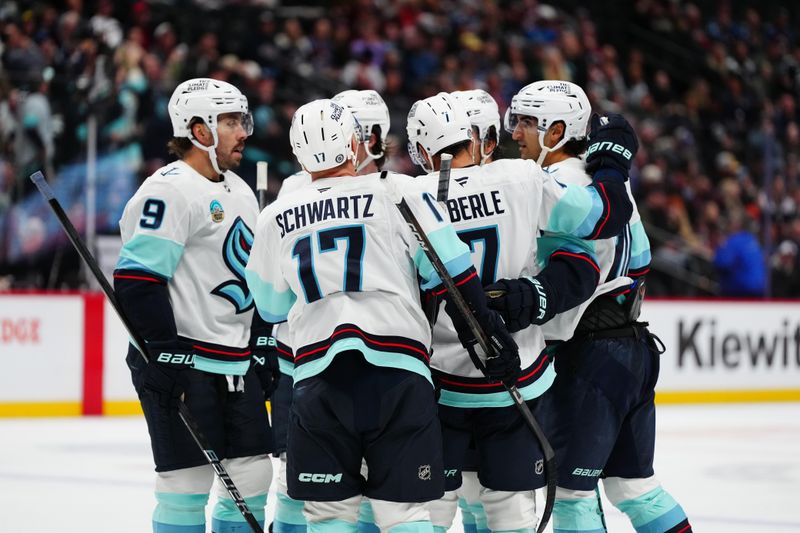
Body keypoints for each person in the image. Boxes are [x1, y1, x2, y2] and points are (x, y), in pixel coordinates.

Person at [245, 98, 519, 533]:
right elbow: (451, 272)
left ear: (298, 155)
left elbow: (272, 308)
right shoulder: (397, 191)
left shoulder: (275, 215)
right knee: (403, 514)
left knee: (329, 516)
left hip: (318, 378)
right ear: (354, 144)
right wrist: (489, 332)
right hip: (398, 374)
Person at [406, 91, 638, 533]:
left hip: (438, 382)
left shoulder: (406, 194)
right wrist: (613, 163)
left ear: (421, 149)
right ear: (477, 139)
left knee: (429, 512)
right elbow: (605, 218)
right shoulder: (523, 178)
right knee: (512, 514)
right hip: (515, 375)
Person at [493, 79, 693, 533]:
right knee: (634, 489)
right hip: (632, 347)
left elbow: (570, 275)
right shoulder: (607, 183)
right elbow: (639, 259)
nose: (515, 133)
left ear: (558, 129)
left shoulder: (554, 187)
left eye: (526, 122)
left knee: (569, 496)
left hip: (588, 357)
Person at [114, 78, 275, 533]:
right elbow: (136, 282)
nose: (244, 131)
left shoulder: (241, 191)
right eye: (230, 122)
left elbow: (258, 280)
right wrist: (162, 353)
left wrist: (259, 346)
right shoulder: (168, 190)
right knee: (185, 486)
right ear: (199, 131)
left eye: (242, 120)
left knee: (253, 476)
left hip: (235, 363)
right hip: (182, 361)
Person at [269, 89, 392, 533]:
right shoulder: (392, 193)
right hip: (319, 361)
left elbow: (269, 293)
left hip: (310, 359)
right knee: (302, 483)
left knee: (324, 485)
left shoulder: (294, 190)